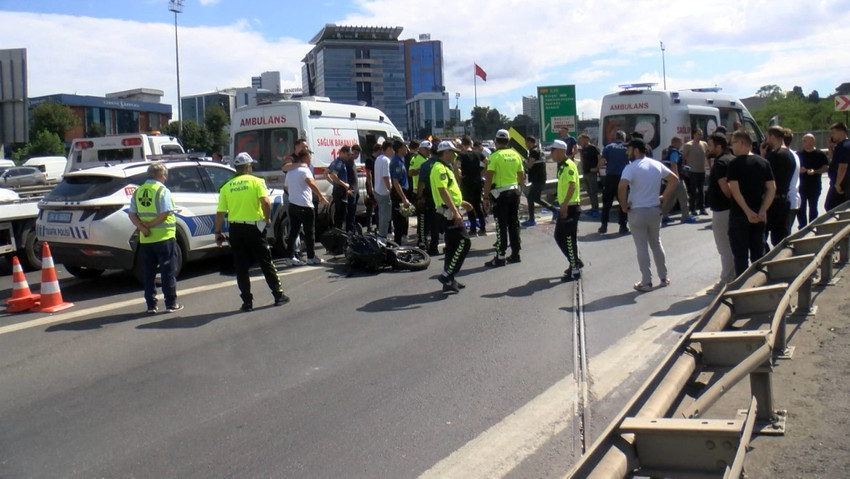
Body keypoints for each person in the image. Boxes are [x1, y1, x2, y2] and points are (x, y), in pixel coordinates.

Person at [214, 152, 289, 312]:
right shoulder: (256, 182)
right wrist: (267, 218)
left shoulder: (227, 186)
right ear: (248, 167)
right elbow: (266, 202)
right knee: (265, 262)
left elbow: (220, 213)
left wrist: (218, 232)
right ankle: (278, 295)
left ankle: (247, 302)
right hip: (254, 227)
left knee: (241, 267)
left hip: (235, 229)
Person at [618, 139, 678, 292]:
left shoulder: (630, 168)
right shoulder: (656, 164)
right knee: (656, 244)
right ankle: (664, 278)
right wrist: (663, 197)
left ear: (636, 150)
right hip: (654, 209)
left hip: (637, 210)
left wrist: (624, 205)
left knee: (641, 247)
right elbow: (674, 179)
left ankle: (646, 282)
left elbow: (622, 186)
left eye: (629, 149)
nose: (627, 152)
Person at [128, 162, 183, 314]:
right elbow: (165, 213)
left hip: (146, 240)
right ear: (160, 175)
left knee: (148, 274)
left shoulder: (138, 191)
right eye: (164, 175)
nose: (165, 178)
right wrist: (150, 225)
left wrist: (142, 228)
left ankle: (151, 305)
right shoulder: (162, 190)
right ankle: (171, 304)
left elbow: (131, 214)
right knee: (167, 272)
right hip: (164, 238)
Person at [727, 130, 776, 277]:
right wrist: (762, 210)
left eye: (733, 142)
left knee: (740, 258)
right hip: (759, 216)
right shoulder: (764, 162)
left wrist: (748, 212)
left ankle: (743, 290)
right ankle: (759, 285)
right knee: (757, 255)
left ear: (742, 143)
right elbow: (771, 188)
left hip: (740, 216)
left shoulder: (734, 164)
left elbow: (735, 191)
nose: (731, 146)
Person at [431, 141, 472, 293]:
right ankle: (447, 275)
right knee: (464, 242)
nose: (454, 155)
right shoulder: (439, 168)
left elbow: (450, 191)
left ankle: (450, 280)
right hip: (448, 213)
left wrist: (461, 202)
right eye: (452, 152)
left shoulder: (444, 168)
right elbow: (443, 191)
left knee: (452, 247)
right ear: (446, 152)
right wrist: (456, 211)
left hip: (449, 209)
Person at [483, 129, 525, 266]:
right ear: (507, 141)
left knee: (501, 225)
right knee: (514, 224)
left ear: (496, 141)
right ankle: (516, 253)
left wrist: (485, 197)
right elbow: (521, 176)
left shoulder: (494, 156)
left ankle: (500, 256)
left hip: (501, 195)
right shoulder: (515, 155)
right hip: (514, 192)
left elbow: (488, 178)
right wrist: (520, 191)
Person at [284, 149, 329, 266]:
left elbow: (286, 187)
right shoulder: (305, 170)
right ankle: (311, 257)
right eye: (309, 157)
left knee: (293, 232)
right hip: (305, 205)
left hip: (293, 205)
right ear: (304, 158)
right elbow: (311, 183)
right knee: (310, 232)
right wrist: (320, 196)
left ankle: (289, 257)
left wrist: (295, 194)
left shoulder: (290, 172)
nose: (310, 160)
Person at [706, 133, 736, 291]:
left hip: (722, 210)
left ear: (719, 146)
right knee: (732, 245)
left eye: (710, 145)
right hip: (732, 209)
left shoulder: (720, 163)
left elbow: (726, 188)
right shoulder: (732, 159)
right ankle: (734, 275)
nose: (708, 149)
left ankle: (727, 280)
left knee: (724, 246)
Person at [551, 140, 584, 281]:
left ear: (559, 151)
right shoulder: (562, 166)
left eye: (552, 151)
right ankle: (575, 262)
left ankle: (575, 270)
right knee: (559, 236)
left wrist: (564, 205)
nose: (551, 154)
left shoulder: (568, 165)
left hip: (570, 206)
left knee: (569, 239)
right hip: (565, 205)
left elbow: (572, 186)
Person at [760, 125, 795, 248]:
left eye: (767, 137)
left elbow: (763, 176)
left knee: (761, 238)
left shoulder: (773, 156)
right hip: (784, 200)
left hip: (771, 201)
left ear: (773, 137)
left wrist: (763, 156)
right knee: (780, 240)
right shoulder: (790, 155)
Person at [599, 130, 630, 234]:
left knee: (607, 203)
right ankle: (623, 226)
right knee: (623, 202)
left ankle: (604, 226)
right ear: (624, 138)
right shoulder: (627, 147)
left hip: (610, 178)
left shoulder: (608, 147)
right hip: (623, 178)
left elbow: (602, 162)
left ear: (615, 137)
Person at [455, 135, 487, 235]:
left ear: (462, 144)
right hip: (477, 181)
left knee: (469, 205)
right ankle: (483, 227)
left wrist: (459, 175)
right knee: (478, 205)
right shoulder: (478, 153)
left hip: (466, 183)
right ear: (471, 143)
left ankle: (473, 228)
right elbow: (487, 162)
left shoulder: (462, 154)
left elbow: (456, 166)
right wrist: (482, 173)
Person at [660, 136, 695, 224]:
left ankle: (663, 215)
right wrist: (677, 177)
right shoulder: (674, 152)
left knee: (670, 199)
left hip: (668, 179)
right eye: (680, 143)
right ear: (675, 143)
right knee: (684, 197)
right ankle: (685, 216)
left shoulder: (666, 151)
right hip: (676, 179)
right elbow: (674, 164)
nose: (681, 144)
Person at [797, 133, 829, 226]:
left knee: (813, 208)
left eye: (805, 140)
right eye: (802, 140)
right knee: (801, 209)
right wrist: (800, 170)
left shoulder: (820, 154)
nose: (803, 142)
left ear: (812, 141)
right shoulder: (799, 154)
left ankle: (813, 226)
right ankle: (802, 227)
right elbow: (793, 168)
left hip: (814, 186)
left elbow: (826, 167)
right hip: (801, 187)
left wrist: (815, 171)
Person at [417, 143, 442, 255]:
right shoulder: (444, 165)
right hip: (442, 196)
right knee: (440, 222)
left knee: (429, 220)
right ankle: (436, 245)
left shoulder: (425, 165)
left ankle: (428, 244)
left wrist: (419, 197)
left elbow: (421, 183)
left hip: (429, 196)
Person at [522, 135, 550, 227]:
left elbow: (530, 165)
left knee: (530, 198)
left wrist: (524, 165)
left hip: (537, 178)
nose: (525, 144)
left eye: (526, 142)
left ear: (530, 142)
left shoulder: (534, 151)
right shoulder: (538, 150)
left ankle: (531, 219)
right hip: (539, 178)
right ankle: (554, 209)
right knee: (536, 198)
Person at [682, 128, 709, 215]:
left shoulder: (704, 144)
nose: (700, 136)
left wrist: (710, 166)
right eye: (698, 134)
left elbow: (707, 156)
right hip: (692, 171)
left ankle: (702, 208)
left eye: (701, 134)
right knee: (693, 191)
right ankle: (692, 209)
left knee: (701, 191)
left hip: (702, 170)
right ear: (694, 134)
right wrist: (685, 169)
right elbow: (683, 158)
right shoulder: (688, 145)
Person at [410, 140, 432, 248]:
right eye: (426, 149)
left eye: (429, 150)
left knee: (427, 218)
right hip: (419, 190)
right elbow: (410, 172)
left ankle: (425, 238)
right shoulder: (417, 158)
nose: (428, 151)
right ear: (421, 149)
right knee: (422, 217)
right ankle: (422, 240)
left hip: (426, 190)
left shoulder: (426, 159)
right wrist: (421, 170)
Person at [390, 139, 412, 244]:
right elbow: (395, 182)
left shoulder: (401, 159)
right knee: (398, 221)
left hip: (403, 191)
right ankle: (397, 245)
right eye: (404, 147)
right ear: (399, 149)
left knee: (404, 219)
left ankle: (401, 241)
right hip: (398, 193)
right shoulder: (396, 162)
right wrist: (403, 198)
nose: (406, 149)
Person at [327, 145, 354, 231]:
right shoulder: (340, 163)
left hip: (339, 190)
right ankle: (339, 237)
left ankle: (338, 234)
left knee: (339, 215)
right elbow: (333, 175)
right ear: (342, 153)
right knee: (341, 216)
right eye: (347, 154)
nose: (349, 156)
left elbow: (326, 173)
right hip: (340, 192)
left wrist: (335, 183)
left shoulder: (335, 162)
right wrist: (344, 185)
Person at [825, 122, 850, 211]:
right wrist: (830, 148)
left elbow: (843, 167)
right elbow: (835, 161)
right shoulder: (840, 146)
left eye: (833, 133)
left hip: (842, 184)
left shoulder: (844, 146)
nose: (831, 136)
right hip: (839, 183)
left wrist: (838, 184)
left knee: (831, 207)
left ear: (841, 132)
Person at [373, 142, 394, 238]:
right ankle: (383, 236)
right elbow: (386, 176)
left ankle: (382, 234)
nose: (393, 152)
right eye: (392, 149)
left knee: (382, 213)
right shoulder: (386, 160)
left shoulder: (378, 158)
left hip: (377, 189)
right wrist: (390, 190)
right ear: (388, 148)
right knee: (385, 216)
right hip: (384, 191)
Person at [782, 127, 801, 234]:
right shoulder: (794, 154)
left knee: (783, 236)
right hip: (793, 199)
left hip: (788, 199)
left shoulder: (786, 156)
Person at [578, 133, 600, 217]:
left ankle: (596, 209)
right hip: (585, 173)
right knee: (589, 192)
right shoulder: (583, 149)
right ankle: (593, 208)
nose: (580, 142)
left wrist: (596, 168)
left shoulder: (593, 148)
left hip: (592, 173)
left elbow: (600, 159)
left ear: (587, 139)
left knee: (593, 192)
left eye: (582, 140)